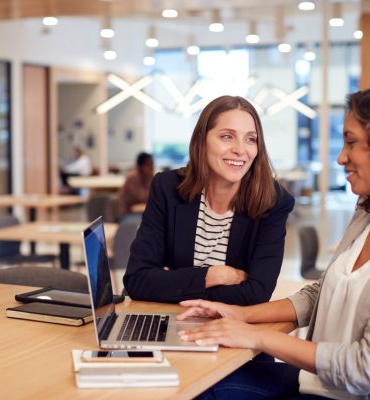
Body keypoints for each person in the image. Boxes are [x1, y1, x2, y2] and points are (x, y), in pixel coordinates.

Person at [177, 89, 370, 399]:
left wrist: (256, 337)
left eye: (350, 142)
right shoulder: (365, 212)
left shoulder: (272, 202)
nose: (340, 157)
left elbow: (363, 369)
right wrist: (239, 315)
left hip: (336, 393)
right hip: (315, 382)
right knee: (195, 376)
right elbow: (320, 293)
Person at [123, 95, 294, 305]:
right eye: (227, 136)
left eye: (251, 139)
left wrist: (174, 283)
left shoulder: (274, 201)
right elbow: (138, 280)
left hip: (232, 328)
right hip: (171, 321)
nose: (240, 149)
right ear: (202, 140)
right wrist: (214, 276)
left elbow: (256, 293)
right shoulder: (167, 188)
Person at [117, 152, 154, 217]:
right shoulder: (132, 179)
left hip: (139, 212)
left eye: (152, 164)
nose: (152, 168)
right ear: (141, 166)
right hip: (127, 214)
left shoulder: (148, 177)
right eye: (149, 164)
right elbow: (143, 198)